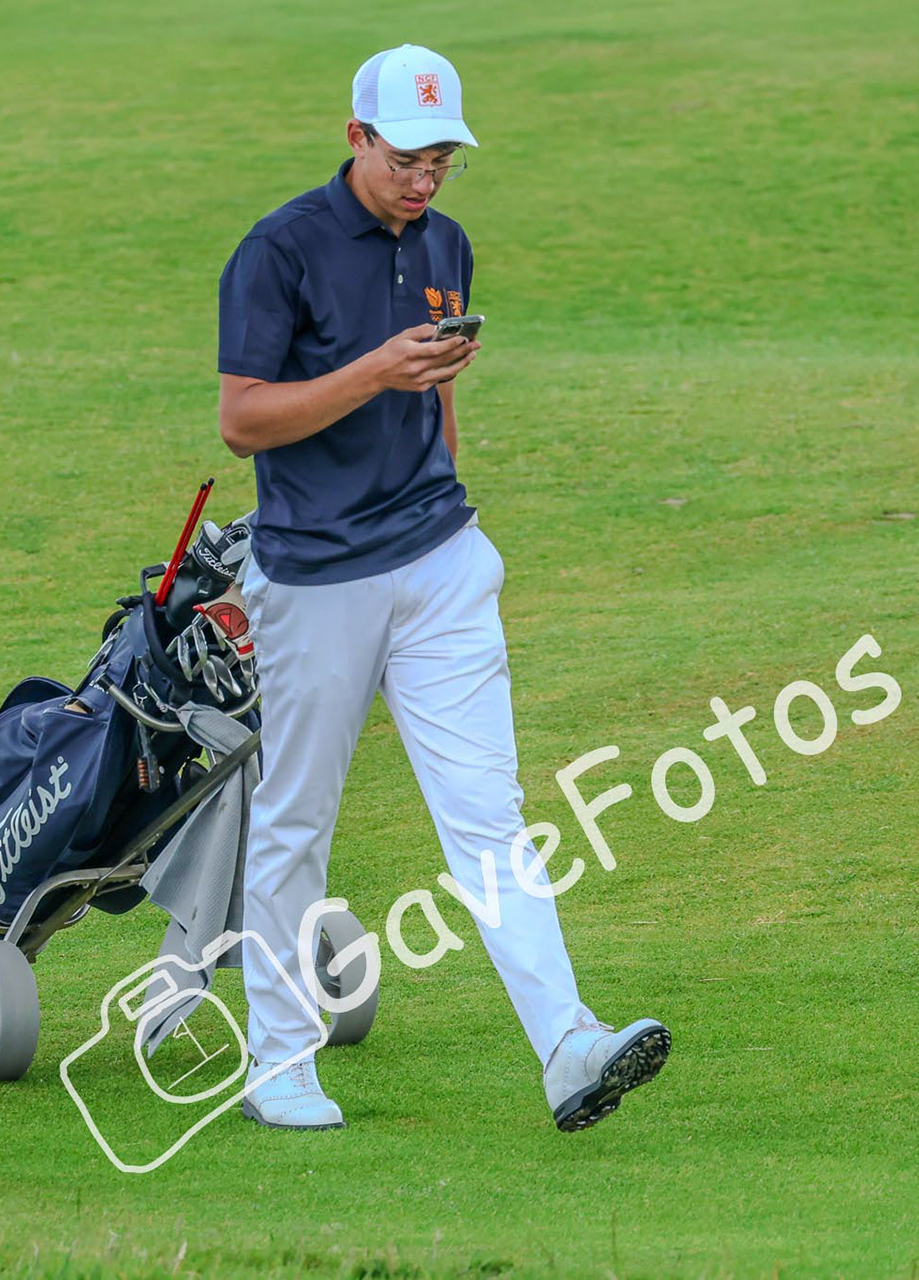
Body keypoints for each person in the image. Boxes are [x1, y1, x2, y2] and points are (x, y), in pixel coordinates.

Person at [218, 47, 670, 1132]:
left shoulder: (447, 243)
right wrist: (373, 370)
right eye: (410, 159)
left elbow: (436, 391)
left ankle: (567, 1041)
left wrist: (446, 479)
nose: (426, 181)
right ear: (356, 136)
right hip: (318, 578)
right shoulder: (276, 252)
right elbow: (243, 419)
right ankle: (280, 1059)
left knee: (489, 814)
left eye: (444, 162)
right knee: (295, 821)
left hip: (439, 561)